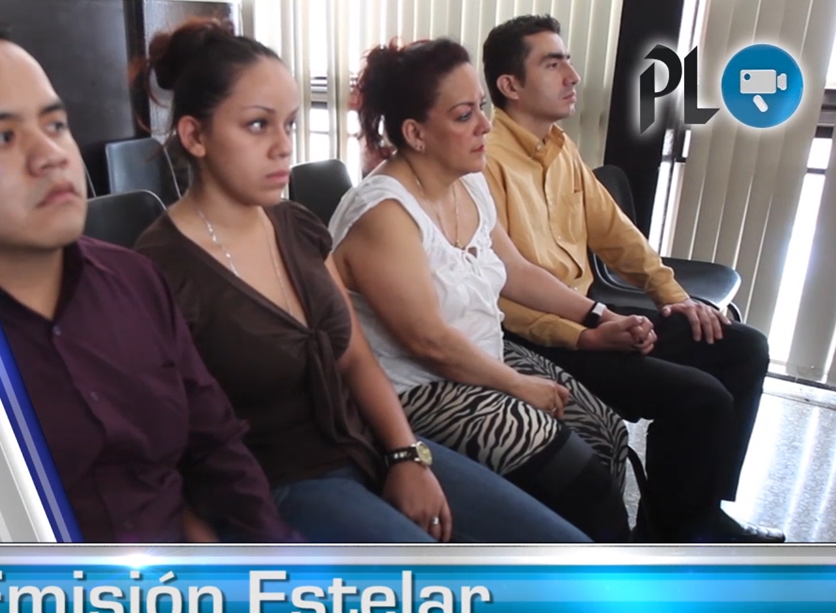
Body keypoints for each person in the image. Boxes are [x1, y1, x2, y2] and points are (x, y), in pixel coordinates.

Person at [129, 18, 590, 544]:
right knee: (453, 582)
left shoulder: (295, 226)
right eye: (258, 125)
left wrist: (404, 455)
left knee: (567, 550)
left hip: (365, 440)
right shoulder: (159, 269)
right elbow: (153, 447)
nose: (283, 146)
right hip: (281, 480)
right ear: (195, 135)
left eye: (289, 124)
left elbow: (354, 356)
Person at [0, 16, 298, 544]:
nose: (51, 156)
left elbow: (217, 447)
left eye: (55, 125)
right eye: (0, 138)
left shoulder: (135, 280)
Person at [481, 14, 783, 543]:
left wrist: (674, 297)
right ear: (510, 85)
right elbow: (500, 287)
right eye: (553, 64)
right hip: (537, 337)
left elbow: (616, 233)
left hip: (588, 315)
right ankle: (677, 536)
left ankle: (695, 514)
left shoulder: (560, 148)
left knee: (743, 348)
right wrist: (590, 329)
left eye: (568, 60)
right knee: (701, 398)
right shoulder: (482, 161)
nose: (572, 75)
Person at [328, 37, 641, 542]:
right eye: (463, 115)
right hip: (419, 389)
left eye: (481, 106)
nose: (486, 126)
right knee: (580, 478)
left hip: (482, 356)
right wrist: (516, 384)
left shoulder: (466, 180)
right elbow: (428, 341)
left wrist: (598, 316)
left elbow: (514, 270)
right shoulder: (384, 213)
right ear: (415, 133)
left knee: (608, 437)